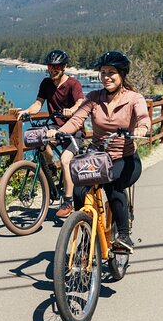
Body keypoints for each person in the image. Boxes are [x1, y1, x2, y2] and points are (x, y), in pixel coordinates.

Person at [47, 51, 150, 252]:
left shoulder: (134, 98)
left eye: (111, 72)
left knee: (113, 186)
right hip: (97, 156)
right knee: (78, 189)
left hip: (125, 158)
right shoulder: (94, 97)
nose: (106, 77)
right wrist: (58, 132)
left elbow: (144, 117)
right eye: (103, 73)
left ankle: (123, 236)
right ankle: (84, 231)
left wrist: (141, 129)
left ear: (122, 74)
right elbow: (77, 119)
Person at [16, 49, 85, 217]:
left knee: (65, 160)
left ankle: (68, 201)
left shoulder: (73, 84)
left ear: (64, 67)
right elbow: (38, 104)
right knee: (38, 138)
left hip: (73, 129)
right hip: (54, 128)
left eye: (58, 66)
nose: (53, 69)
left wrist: (72, 110)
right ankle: (51, 168)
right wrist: (27, 111)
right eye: (50, 66)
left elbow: (81, 103)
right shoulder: (46, 83)